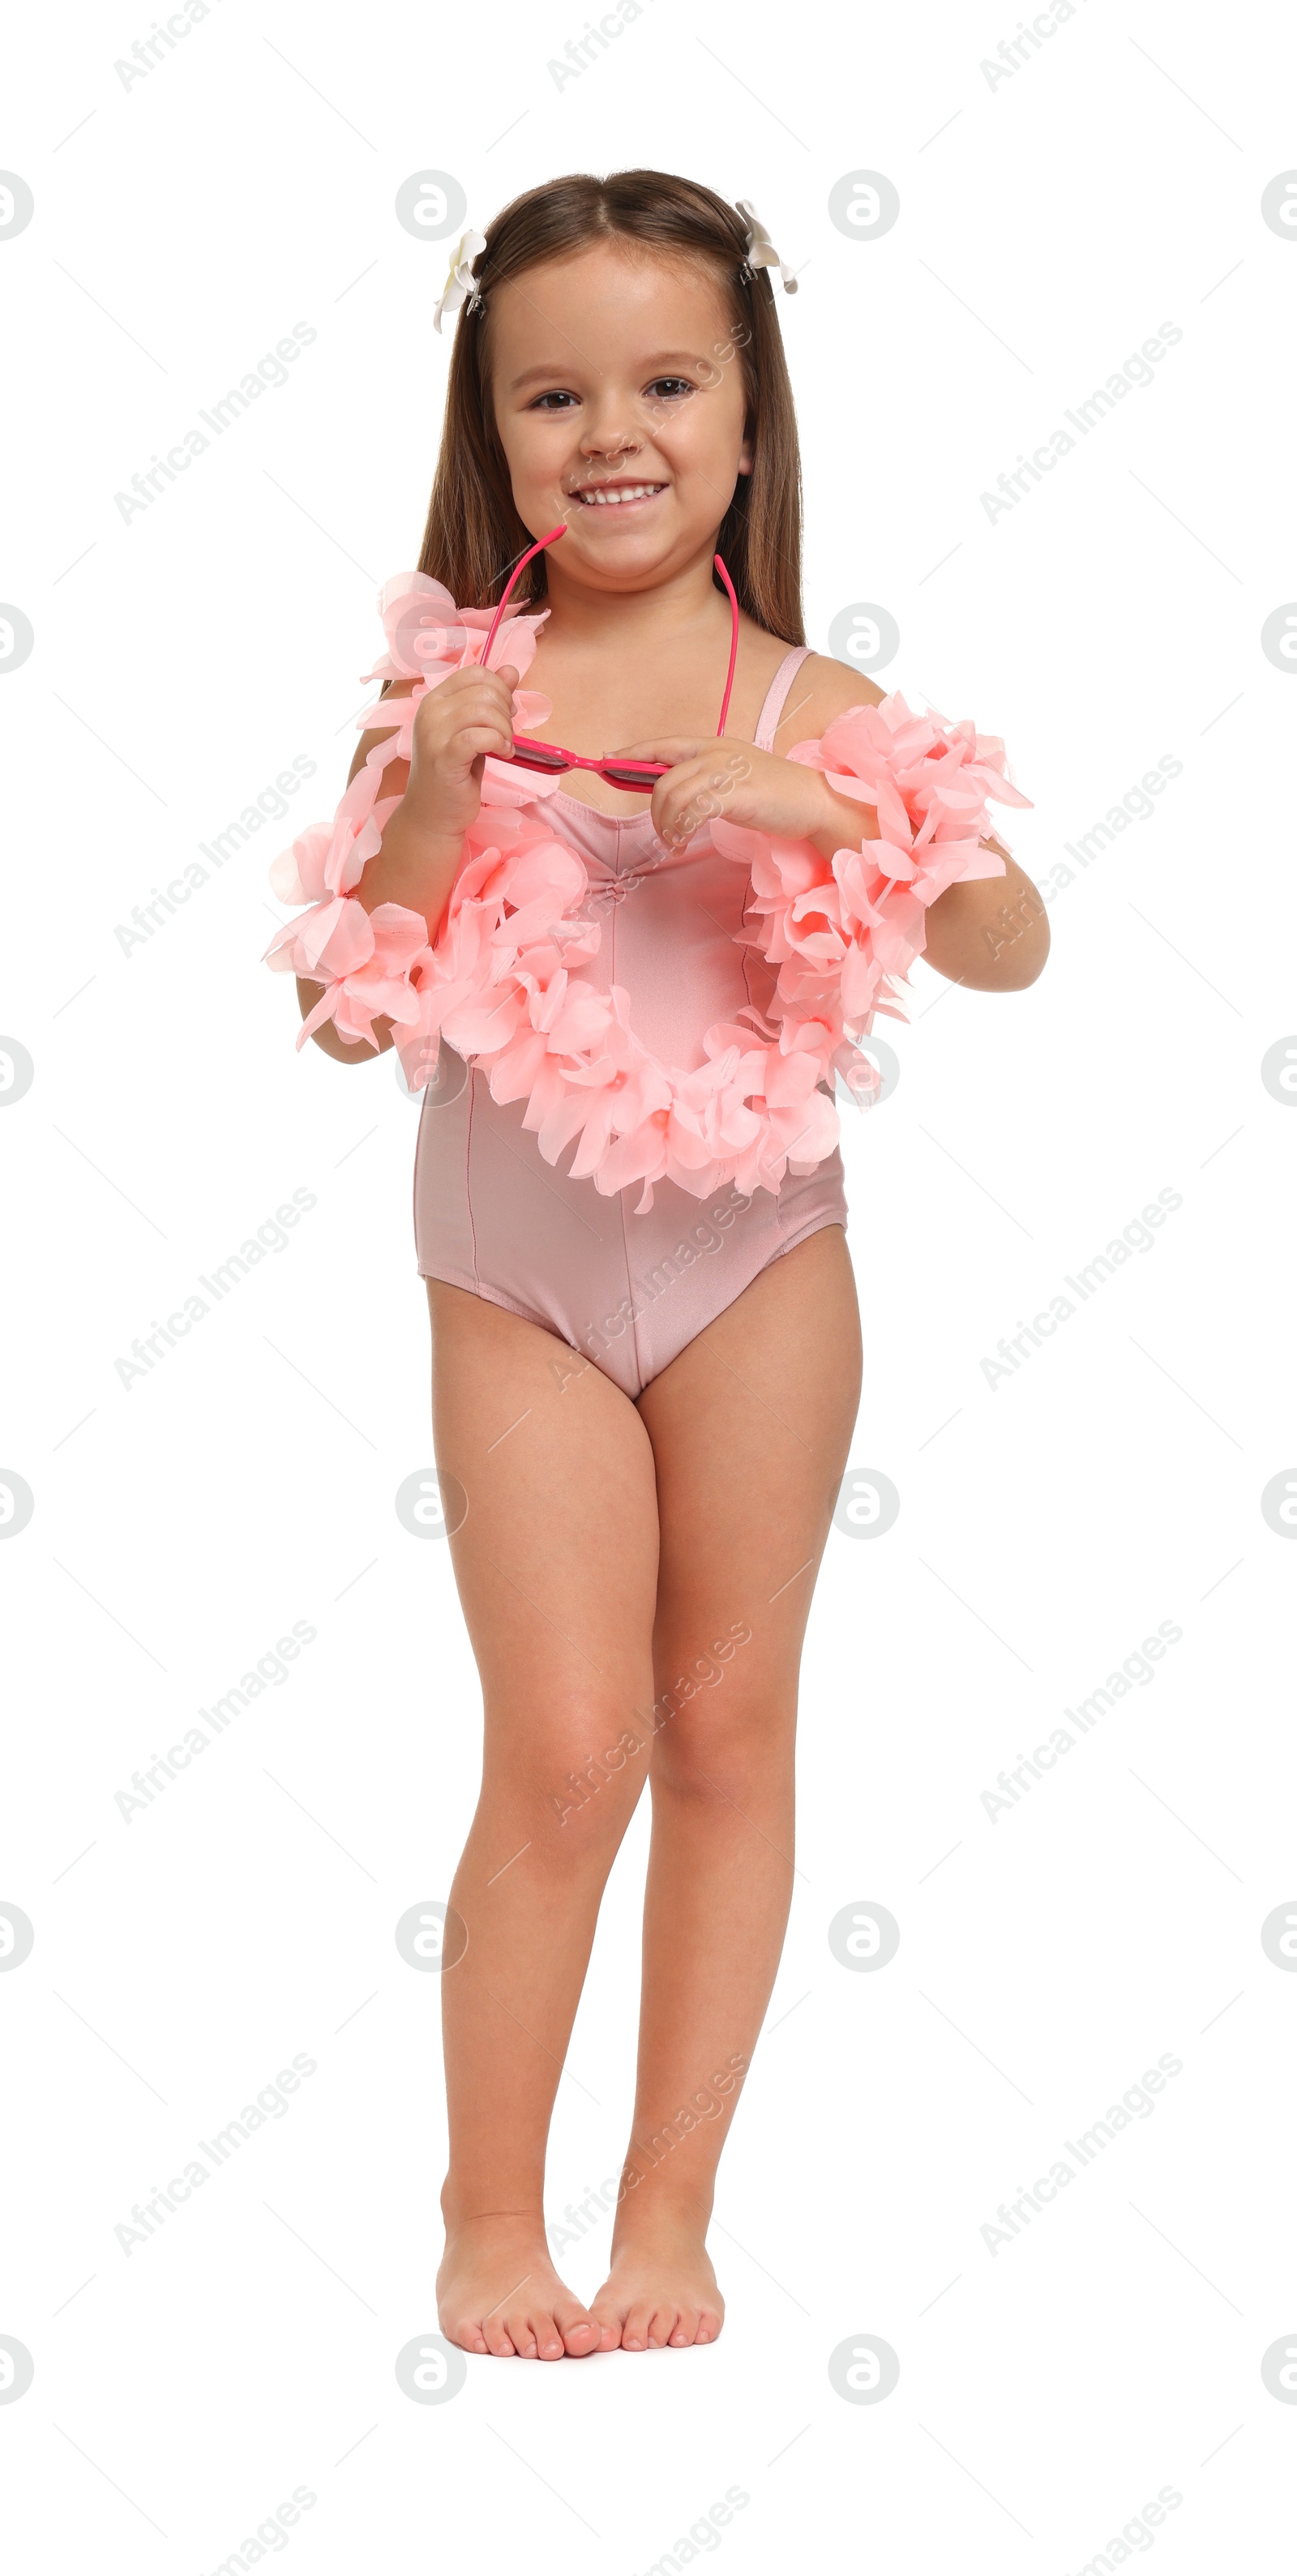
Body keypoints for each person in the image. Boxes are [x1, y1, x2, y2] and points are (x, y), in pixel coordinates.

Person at [265, 169, 1049, 2361]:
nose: (611, 431)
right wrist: (424, 801)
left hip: (758, 1273)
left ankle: (670, 2205)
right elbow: (343, 1009)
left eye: (666, 381)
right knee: (572, 1732)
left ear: (743, 412)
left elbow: (1011, 944)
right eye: (554, 396)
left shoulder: (813, 694)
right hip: (513, 1283)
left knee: (724, 1721)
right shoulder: (446, 698)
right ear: (495, 428)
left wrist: (842, 822)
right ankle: (481, 2211)